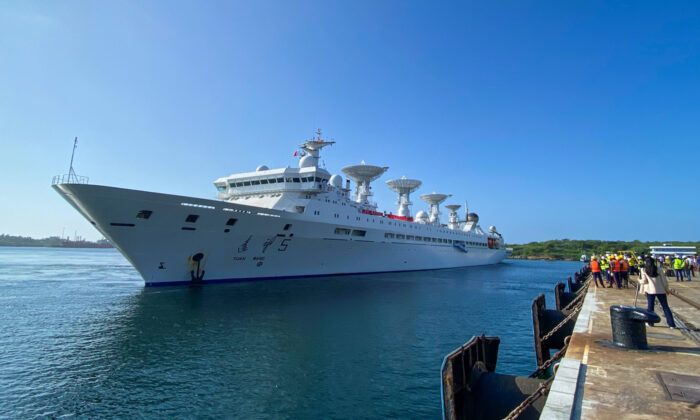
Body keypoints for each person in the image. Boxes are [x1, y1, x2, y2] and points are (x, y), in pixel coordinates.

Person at [639, 257, 676, 329]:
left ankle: (650, 323)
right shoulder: (659, 269)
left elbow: (644, 281)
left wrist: (639, 280)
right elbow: (664, 281)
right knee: (665, 307)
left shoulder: (644, 270)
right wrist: (667, 289)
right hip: (661, 290)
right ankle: (671, 324)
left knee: (650, 307)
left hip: (650, 291)